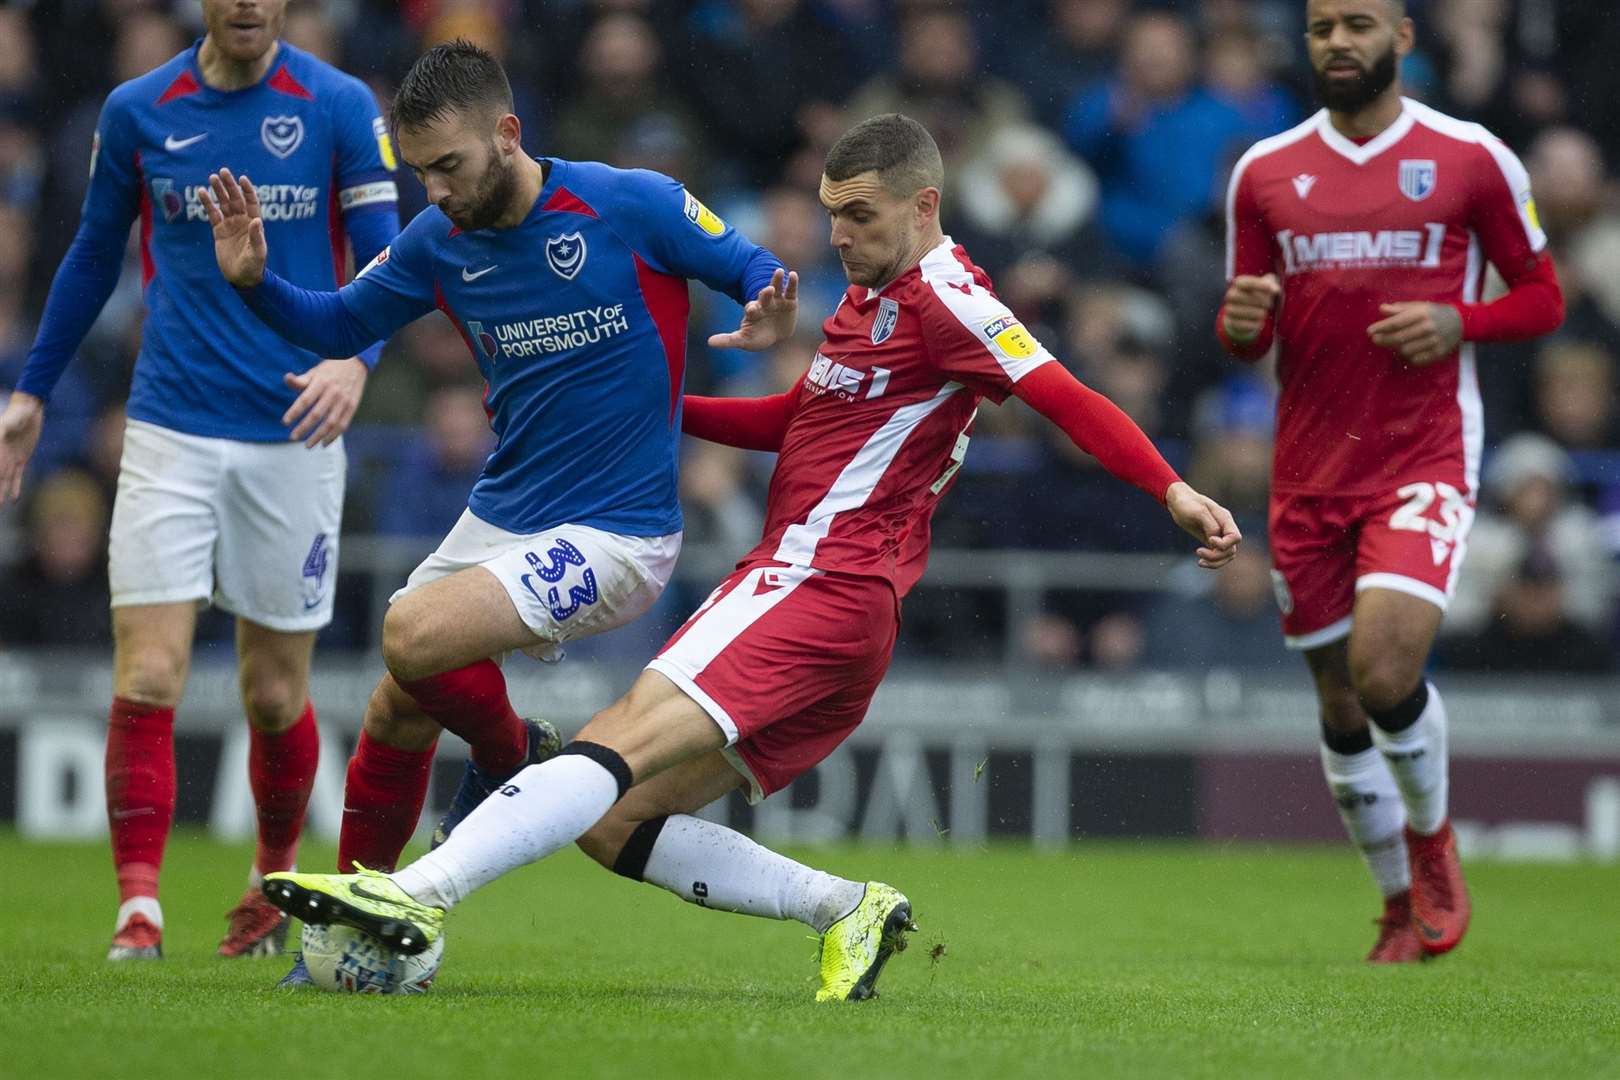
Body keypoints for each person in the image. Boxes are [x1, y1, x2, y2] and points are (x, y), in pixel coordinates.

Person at [258, 113, 1242, 1003]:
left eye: (859, 216)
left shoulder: (950, 299)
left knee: (615, 739)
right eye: (830, 215)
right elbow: (798, 421)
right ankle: (845, 908)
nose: (839, 237)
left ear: (925, 204)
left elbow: (1064, 393)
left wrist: (1174, 490)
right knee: (613, 817)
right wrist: (656, 405)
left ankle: (415, 896)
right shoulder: (871, 303)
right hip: (838, 611)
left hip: (818, 579)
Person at [203, 40, 793, 986]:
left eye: (450, 166)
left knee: (410, 632)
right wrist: (252, 281)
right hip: (506, 513)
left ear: (508, 134)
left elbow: (748, 262)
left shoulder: (628, 201)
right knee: (397, 706)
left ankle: (513, 749)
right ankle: (362, 924)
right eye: (420, 171)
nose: (434, 191)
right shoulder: (440, 243)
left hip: (617, 531)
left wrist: (766, 307)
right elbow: (341, 325)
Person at [0, 0, 399, 962]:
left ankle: (269, 883)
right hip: (171, 423)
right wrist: (32, 390)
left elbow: (391, 252)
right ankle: (139, 910)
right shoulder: (139, 109)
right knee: (148, 672)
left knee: (271, 692)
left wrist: (358, 359)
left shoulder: (339, 105)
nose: (252, 4)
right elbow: (95, 253)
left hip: (296, 427)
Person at [1217, 0, 1565, 963]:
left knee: (1383, 670)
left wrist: (1465, 322)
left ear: (1403, 39)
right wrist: (1241, 318)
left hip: (1422, 453)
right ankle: (1394, 906)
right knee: (1337, 699)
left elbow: (1543, 298)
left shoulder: (1470, 157)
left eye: (1359, 24)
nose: (1338, 42)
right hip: (1308, 469)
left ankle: (1433, 841)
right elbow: (1242, 331)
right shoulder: (1264, 171)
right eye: (1323, 26)